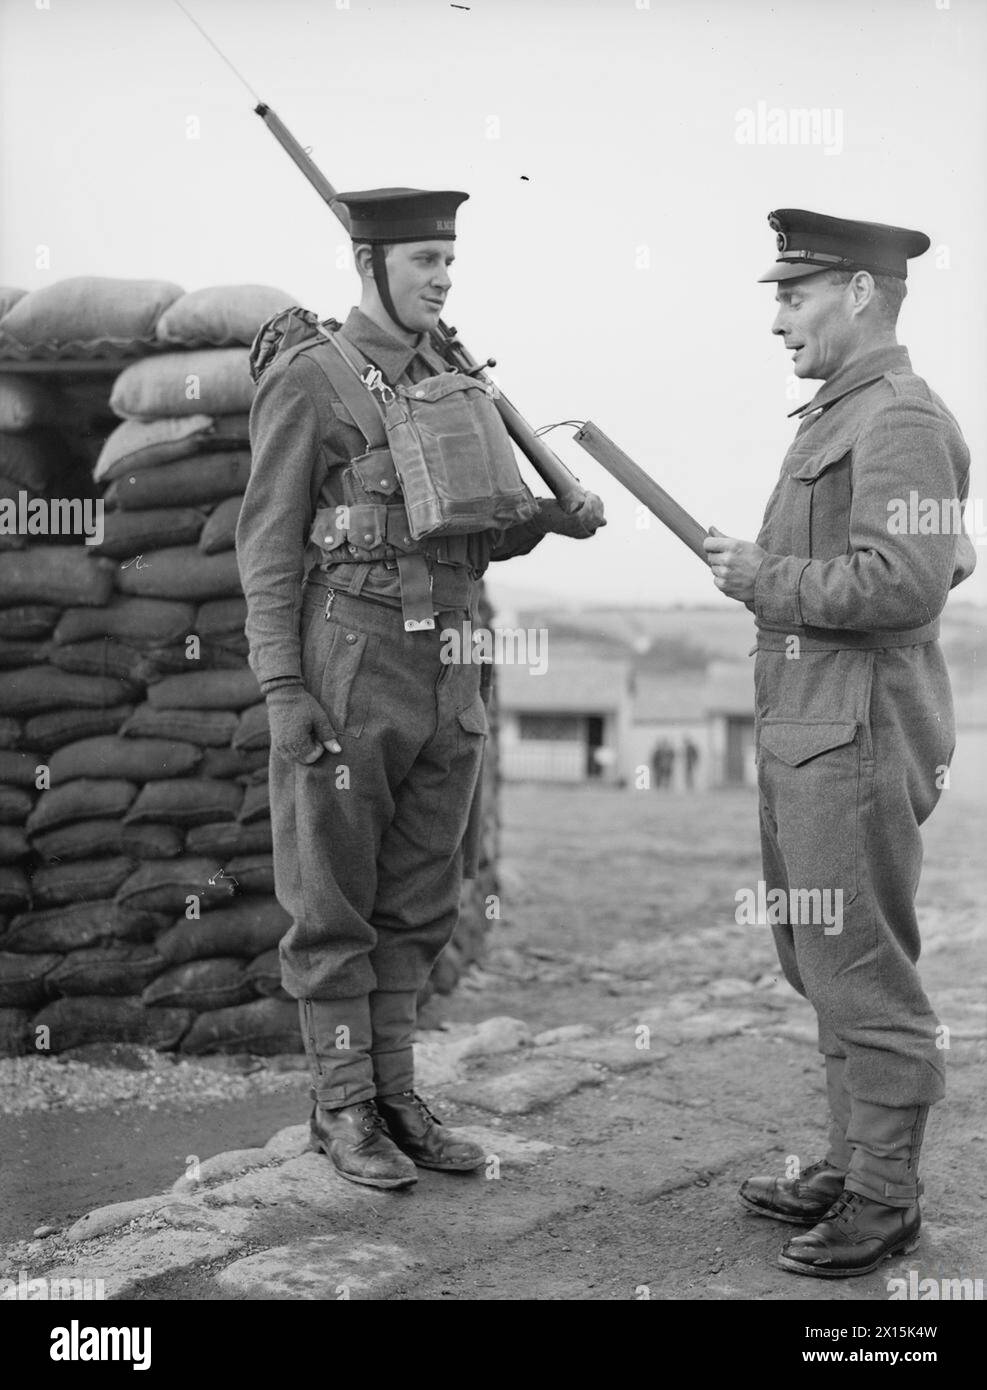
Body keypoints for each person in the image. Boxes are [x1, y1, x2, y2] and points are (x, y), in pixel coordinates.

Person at [236, 186, 605, 1190]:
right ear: (371, 266)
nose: (443, 279)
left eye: (450, 261)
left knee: (419, 896)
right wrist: (283, 688)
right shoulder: (310, 377)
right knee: (332, 898)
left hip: (453, 662)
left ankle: (396, 1093)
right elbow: (266, 549)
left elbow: (470, 530)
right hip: (350, 661)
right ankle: (341, 1102)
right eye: (424, 262)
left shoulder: (458, 377)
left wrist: (548, 518)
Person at [704, 208, 975, 1277]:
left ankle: (886, 1198)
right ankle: (850, 1159)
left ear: (861, 292)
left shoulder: (900, 417)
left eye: (795, 293)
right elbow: (940, 557)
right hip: (812, 730)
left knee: (863, 969)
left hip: (856, 735)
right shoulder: (837, 415)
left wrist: (760, 578)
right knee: (819, 958)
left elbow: (903, 584)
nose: (778, 318)